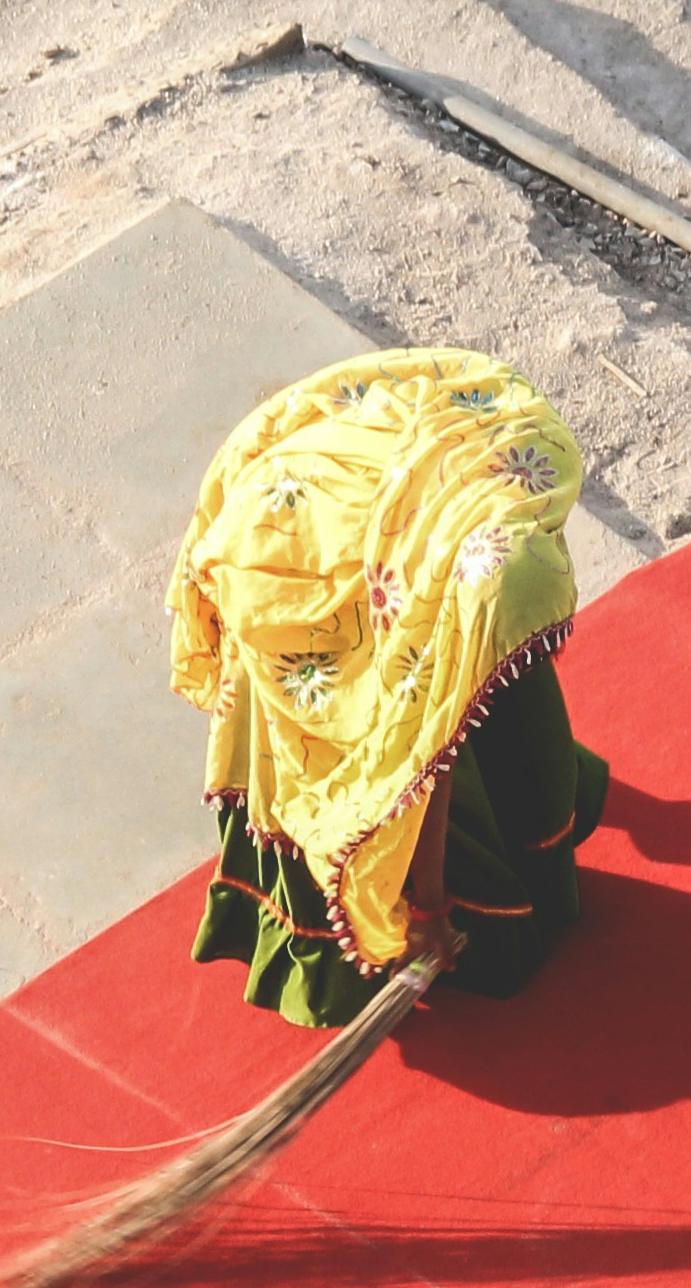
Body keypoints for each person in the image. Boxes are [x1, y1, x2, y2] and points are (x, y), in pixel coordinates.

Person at [173, 348, 614, 1026]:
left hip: (356, 521)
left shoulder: (489, 479)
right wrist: (430, 907)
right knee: (357, 775)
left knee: (492, 686)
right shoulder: (402, 615)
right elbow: (417, 771)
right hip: (286, 570)